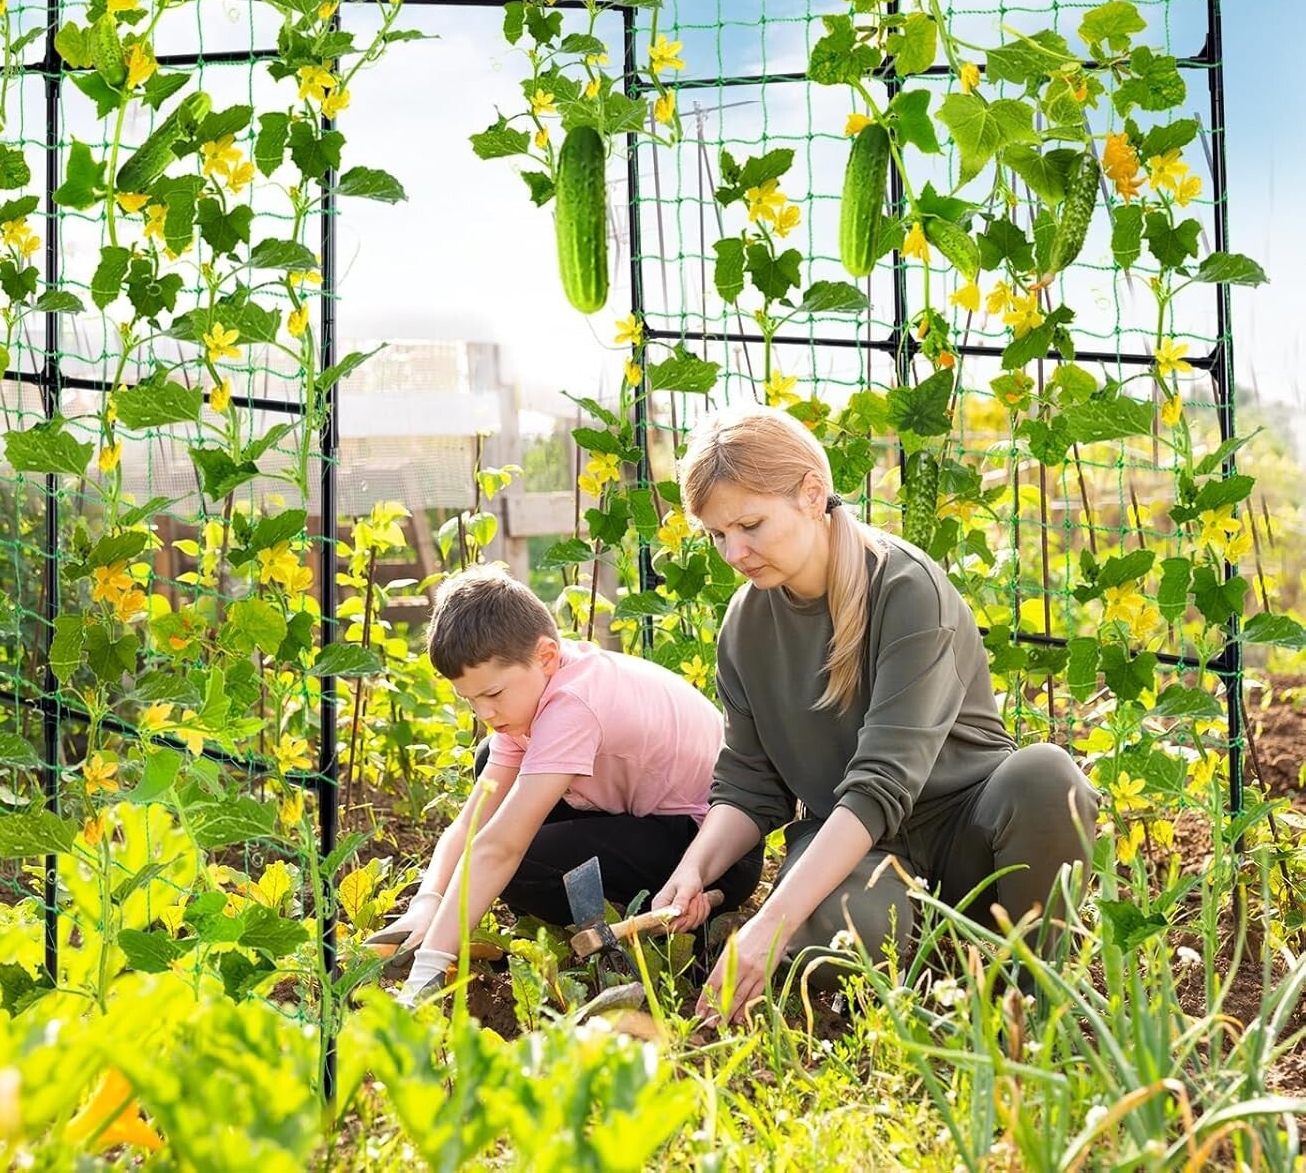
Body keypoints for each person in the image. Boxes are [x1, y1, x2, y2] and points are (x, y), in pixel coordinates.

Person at [652, 407, 1098, 1025]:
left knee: (1050, 779)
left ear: (812, 494)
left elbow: (880, 786)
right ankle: (929, 972)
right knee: (847, 937)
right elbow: (751, 785)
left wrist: (770, 924)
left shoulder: (906, 588)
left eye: (750, 524)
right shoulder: (746, 625)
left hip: (966, 832)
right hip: (857, 852)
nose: (735, 551)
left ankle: (1029, 998)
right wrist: (694, 870)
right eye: (717, 535)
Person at [370, 565, 763, 1003]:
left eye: (493, 695)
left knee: (516, 865)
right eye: (471, 700)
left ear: (546, 656)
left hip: (715, 853)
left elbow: (499, 847)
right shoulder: (538, 689)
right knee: (490, 765)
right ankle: (560, 917)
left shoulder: (573, 704)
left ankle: (656, 940)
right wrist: (428, 901)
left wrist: (424, 974)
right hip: (649, 822)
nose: (484, 713)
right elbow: (471, 826)